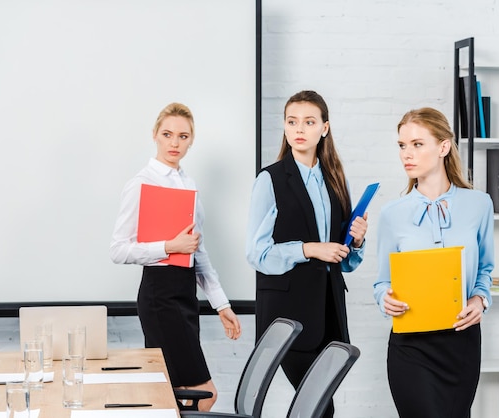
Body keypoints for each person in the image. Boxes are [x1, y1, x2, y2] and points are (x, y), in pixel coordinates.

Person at [110, 102, 241, 411]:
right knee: (204, 394)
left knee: (175, 396)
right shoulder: (141, 183)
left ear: (191, 141)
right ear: (155, 135)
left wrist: (221, 304)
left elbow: (199, 250)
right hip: (160, 297)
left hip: (186, 296)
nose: (174, 142)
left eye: (183, 136)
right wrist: (168, 247)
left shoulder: (188, 184)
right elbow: (118, 249)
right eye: (167, 134)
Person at [246, 90, 368, 418]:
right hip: (287, 315)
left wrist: (356, 242)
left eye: (309, 121)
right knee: (318, 407)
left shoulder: (335, 180)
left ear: (324, 128)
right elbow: (257, 254)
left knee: (318, 406)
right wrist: (308, 249)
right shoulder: (269, 180)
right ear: (285, 128)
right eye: (292, 121)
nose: (299, 128)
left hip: (328, 310)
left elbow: (345, 260)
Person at [373, 107, 494, 418]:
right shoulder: (392, 214)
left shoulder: (479, 205)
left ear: (442, 147)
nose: (406, 154)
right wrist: (385, 298)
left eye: (417, 144)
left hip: (461, 343)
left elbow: (485, 269)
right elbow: (381, 282)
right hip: (411, 345)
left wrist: (480, 300)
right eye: (402, 145)